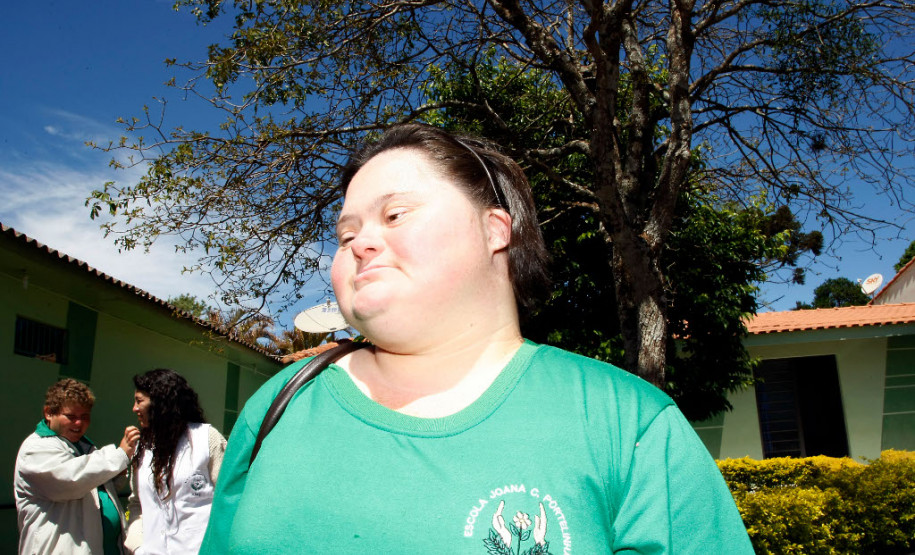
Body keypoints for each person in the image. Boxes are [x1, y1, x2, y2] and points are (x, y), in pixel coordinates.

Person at [200, 124, 754, 553]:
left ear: (495, 228)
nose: (361, 242)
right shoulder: (278, 407)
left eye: (395, 214)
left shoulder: (629, 424)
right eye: (346, 234)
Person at [15, 378, 140, 555]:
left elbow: (93, 489)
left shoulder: (83, 447)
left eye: (85, 417)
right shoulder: (35, 449)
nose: (79, 424)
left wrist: (115, 476)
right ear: (49, 413)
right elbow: (70, 480)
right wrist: (119, 455)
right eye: (71, 417)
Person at [125, 369, 226, 554]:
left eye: (140, 401)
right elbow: (136, 504)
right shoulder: (141, 449)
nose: (134, 408)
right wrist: (137, 545)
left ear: (161, 401)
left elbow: (228, 498)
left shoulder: (206, 439)